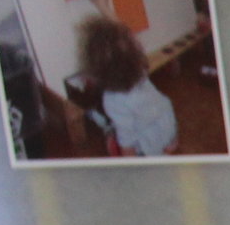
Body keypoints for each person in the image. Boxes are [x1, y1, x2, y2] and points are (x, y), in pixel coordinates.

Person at [74, 12, 177, 155]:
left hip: (149, 141)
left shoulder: (112, 100)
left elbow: (127, 141)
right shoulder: (139, 70)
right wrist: (103, 5)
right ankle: (170, 144)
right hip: (166, 122)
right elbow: (121, 41)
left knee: (115, 136)